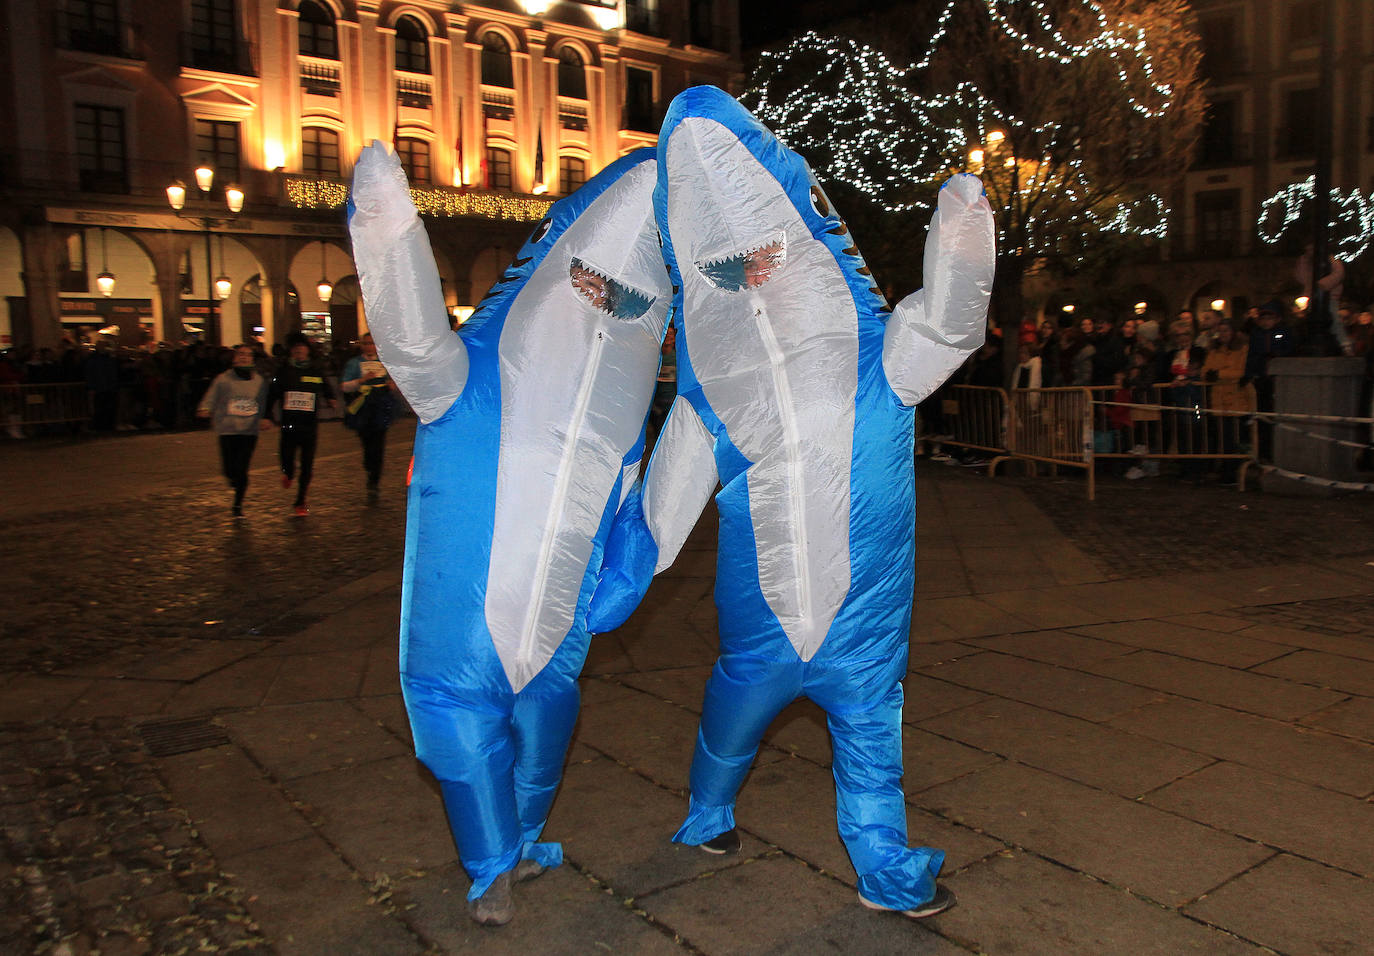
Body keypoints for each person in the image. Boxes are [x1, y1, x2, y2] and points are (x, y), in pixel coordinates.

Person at [591, 88, 994, 921]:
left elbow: (949, 328)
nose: (749, 272)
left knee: (872, 749)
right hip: (760, 631)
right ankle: (708, 811)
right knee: (728, 729)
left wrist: (962, 244)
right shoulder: (713, 403)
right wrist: (620, 575)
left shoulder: (881, 360)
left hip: (865, 626)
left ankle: (884, 865)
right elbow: (664, 509)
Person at [349, 142, 672, 926]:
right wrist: (387, 222)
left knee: (546, 725)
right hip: (462, 631)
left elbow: (636, 496)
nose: (605, 309)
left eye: (628, 301)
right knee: (460, 734)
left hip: (560, 627)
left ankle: (522, 837)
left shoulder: (625, 414)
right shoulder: (472, 378)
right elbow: (416, 342)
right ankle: (491, 858)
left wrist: (634, 558)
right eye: (590, 284)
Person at [196, 344, 273, 517]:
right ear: (234, 358)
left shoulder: (259, 381)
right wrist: (205, 408)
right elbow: (212, 396)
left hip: (249, 430)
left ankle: (238, 503)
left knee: (242, 467)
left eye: (248, 355)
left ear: (253, 359)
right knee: (229, 468)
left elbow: (264, 401)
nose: (244, 357)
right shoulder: (223, 379)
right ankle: (233, 479)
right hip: (227, 429)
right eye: (241, 354)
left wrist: (265, 418)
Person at [269, 333, 336, 516]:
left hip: (309, 425)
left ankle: (300, 500)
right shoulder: (283, 371)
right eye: (295, 348)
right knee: (287, 456)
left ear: (307, 350)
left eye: (302, 347)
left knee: (307, 464)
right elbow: (272, 393)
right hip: (289, 424)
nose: (299, 351)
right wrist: (266, 415)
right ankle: (288, 473)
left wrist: (331, 398)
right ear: (291, 352)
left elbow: (326, 387)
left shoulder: (316, 370)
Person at [341, 333, 394, 498]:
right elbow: (344, 386)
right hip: (363, 407)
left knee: (379, 442)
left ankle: (374, 478)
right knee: (366, 441)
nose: (369, 347)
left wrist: (391, 385)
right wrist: (360, 381)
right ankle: (369, 466)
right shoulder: (354, 363)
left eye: (371, 344)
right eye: (365, 344)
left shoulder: (385, 362)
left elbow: (395, 380)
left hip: (380, 406)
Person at [1243, 300, 1295, 461]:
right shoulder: (1256, 334)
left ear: (1277, 318)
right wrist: (1248, 374)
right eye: (1263, 318)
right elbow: (1251, 356)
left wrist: (1277, 355)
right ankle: (1264, 452)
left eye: (1269, 318)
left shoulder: (1284, 332)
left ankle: (1279, 451)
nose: (1266, 322)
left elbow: (1291, 350)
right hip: (1262, 379)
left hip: (1278, 380)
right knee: (1262, 416)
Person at [1202, 318, 1251, 483]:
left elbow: (1240, 371)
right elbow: (1206, 370)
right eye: (1220, 331)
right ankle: (1224, 470)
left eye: (1226, 330)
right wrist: (1212, 374)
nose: (1223, 334)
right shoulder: (1214, 350)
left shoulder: (1242, 349)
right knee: (1223, 438)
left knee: (1235, 438)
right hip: (1218, 401)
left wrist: (1219, 375)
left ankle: (1234, 471)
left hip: (1236, 401)